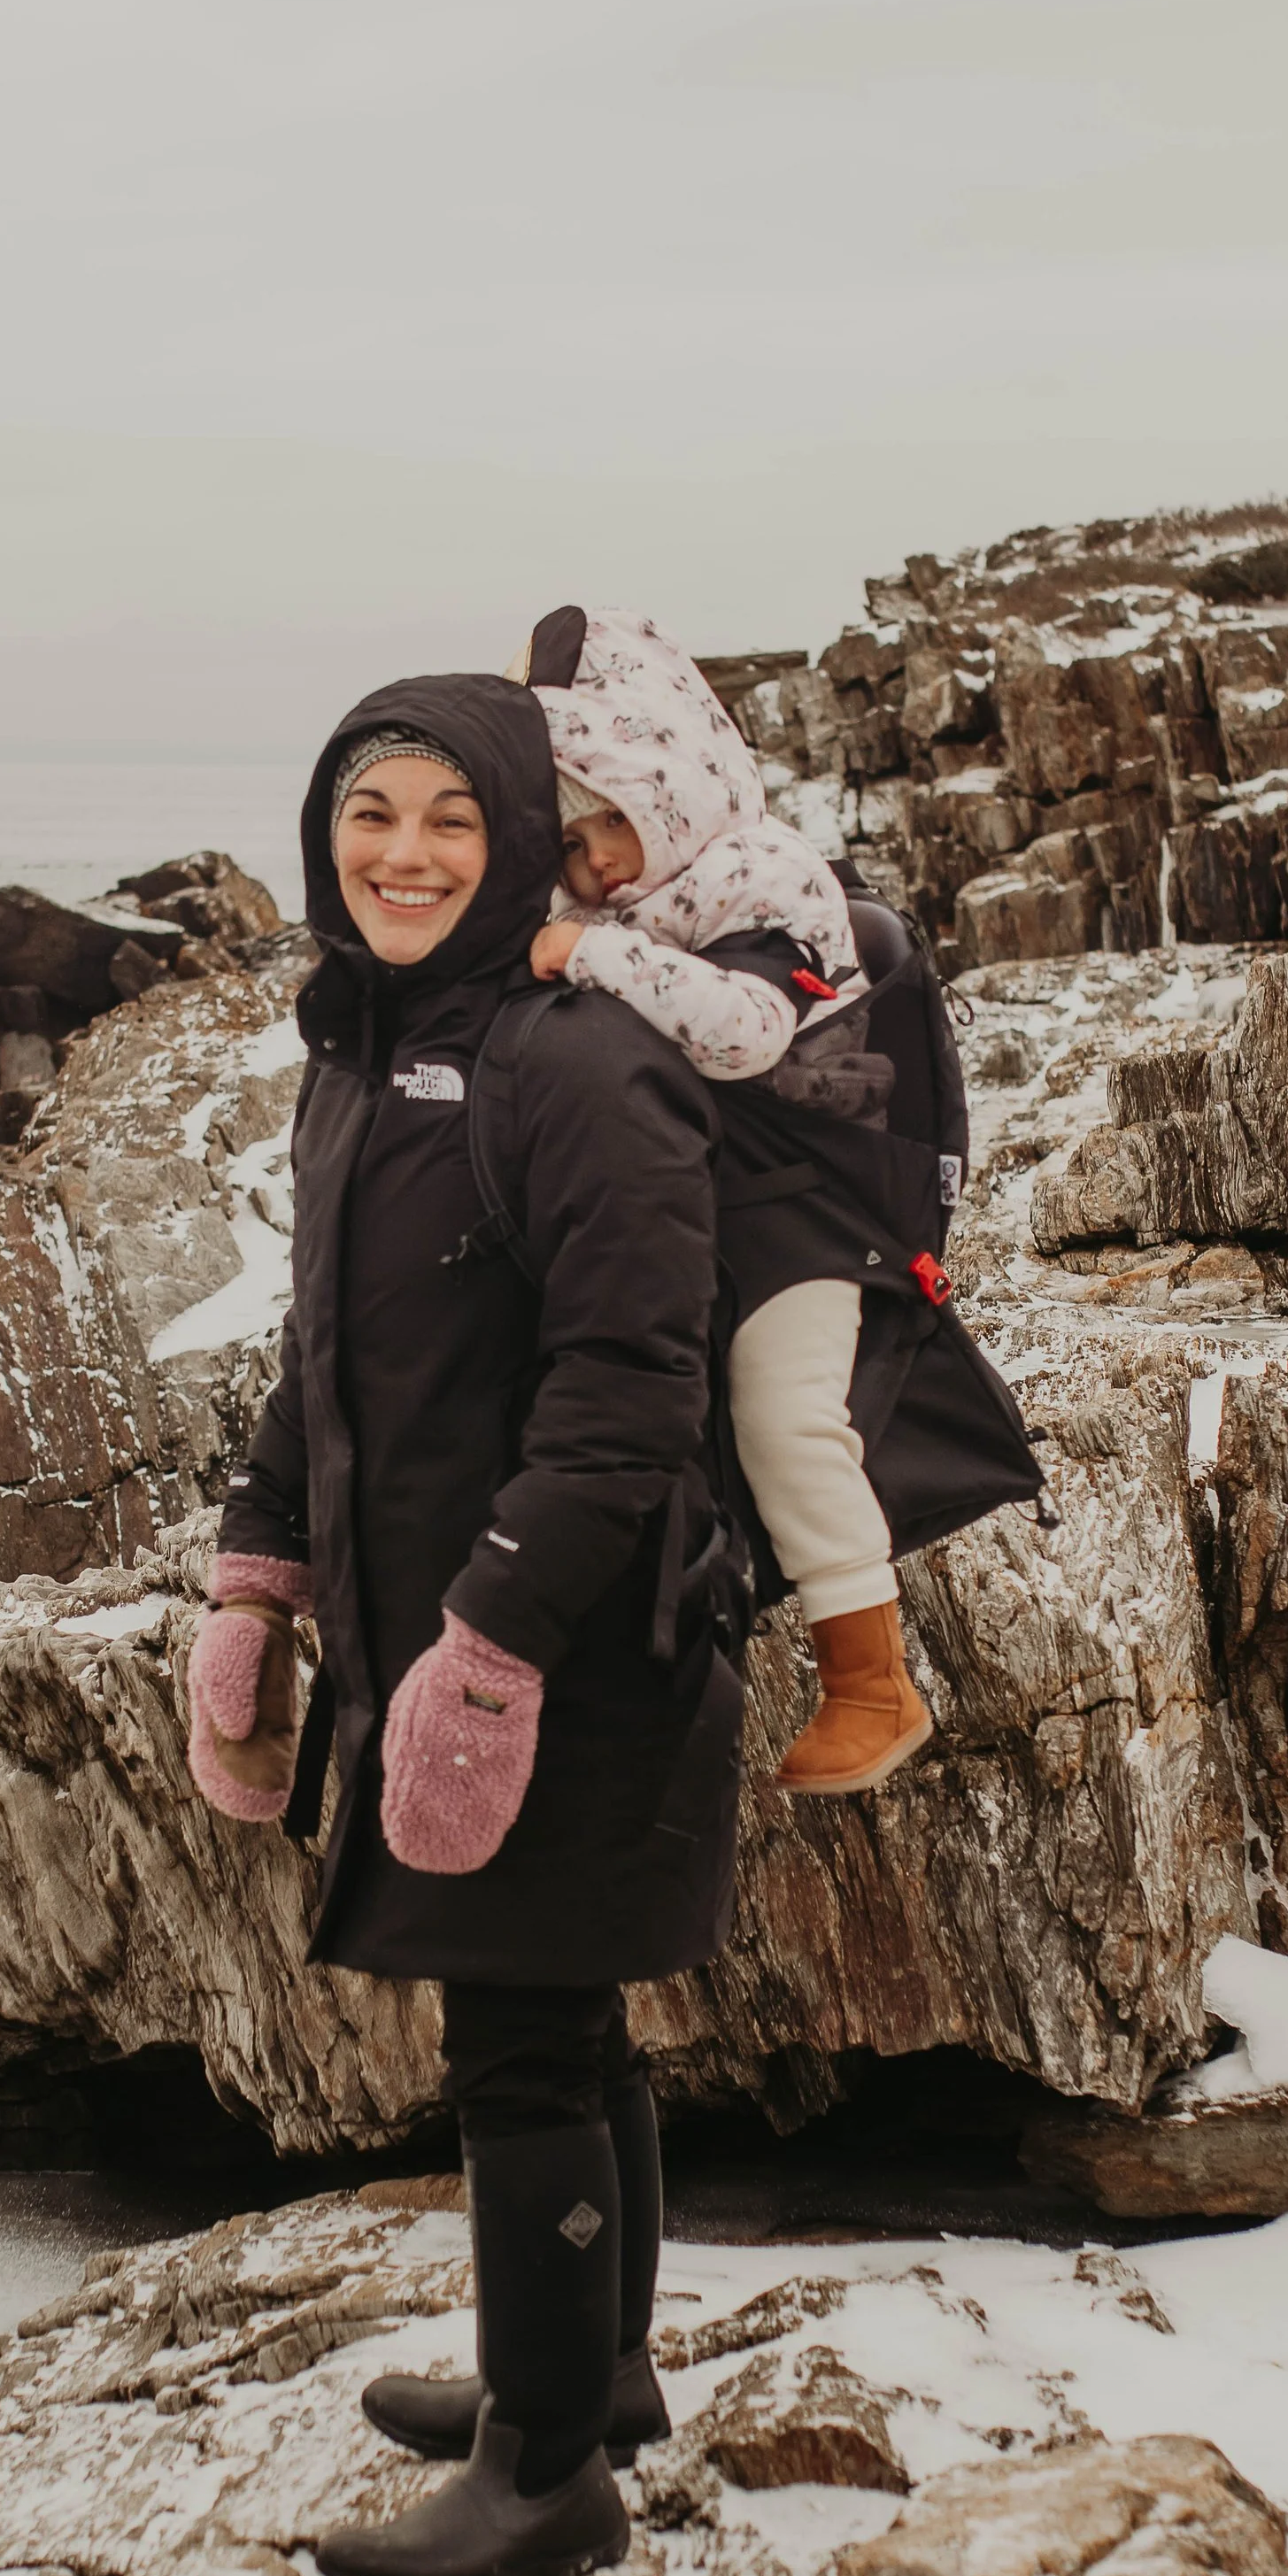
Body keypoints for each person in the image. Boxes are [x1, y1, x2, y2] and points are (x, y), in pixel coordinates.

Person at [186, 673, 744, 2576]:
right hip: (426, 1626)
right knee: (561, 2021)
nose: (402, 852)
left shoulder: (578, 1068)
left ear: (516, 831)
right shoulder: (359, 1047)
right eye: (368, 811)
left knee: (520, 2039)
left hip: (575, 1638)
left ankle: (542, 2474)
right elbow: (320, 1351)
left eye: (446, 815)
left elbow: (629, 1398)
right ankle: (596, 2368)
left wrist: (489, 1643)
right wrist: (259, 1570)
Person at [521, 608, 929, 1794]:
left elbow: (748, 1032)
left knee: (786, 1412)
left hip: (806, 1206)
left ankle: (872, 1678)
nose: (590, 865)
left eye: (604, 825)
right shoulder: (628, 905)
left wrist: (586, 956)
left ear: (666, 786)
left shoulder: (761, 875)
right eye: (566, 846)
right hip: (707, 1211)